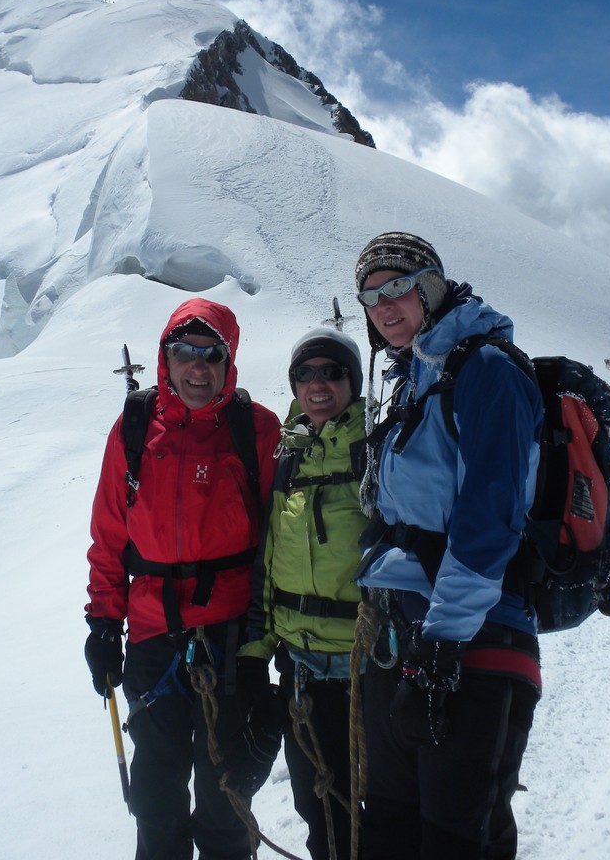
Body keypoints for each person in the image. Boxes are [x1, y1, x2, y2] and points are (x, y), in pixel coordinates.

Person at [352, 232, 543, 860]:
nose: (383, 306)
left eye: (397, 287)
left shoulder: (485, 371)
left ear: (430, 287)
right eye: (370, 296)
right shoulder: (417, 378)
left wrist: (440, 646)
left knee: (456, 841)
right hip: (404, 641)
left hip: (471, 645)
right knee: (387, 831)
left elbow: (489, 520)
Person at [84, 297, 281, 860]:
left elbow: (282, 536)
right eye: (184, 352)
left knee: (225, 799)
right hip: (153, 639)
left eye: (211, 354)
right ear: (164, 358)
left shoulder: (256, 429)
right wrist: (104, 624)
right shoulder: (134, 428)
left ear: (229, 360)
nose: (198, 367)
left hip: (233, 640)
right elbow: (110, 537)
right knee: (155, 798)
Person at [238, 326, 368, 860]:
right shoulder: (287, 457)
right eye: (305, 374)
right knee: (322, 813)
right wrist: (255, 653)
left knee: (387, 815)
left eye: (332, 372)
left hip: (369, 667)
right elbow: (269, 562)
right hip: (301, 672)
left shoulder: (376, 448)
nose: (318, 384)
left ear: (352, 382)